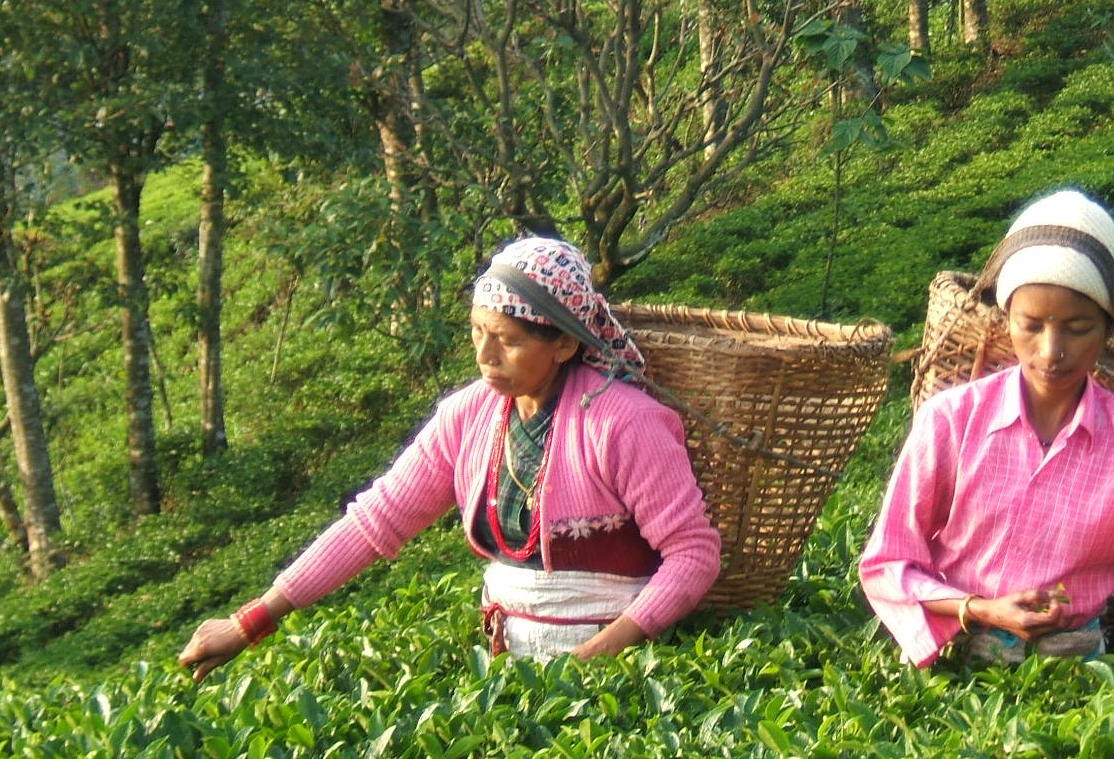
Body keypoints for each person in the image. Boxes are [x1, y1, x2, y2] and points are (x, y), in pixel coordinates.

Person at [179, 237, 721, 678]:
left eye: (507, 340)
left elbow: (693, 554)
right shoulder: (468, 416)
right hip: (508, 666)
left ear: (564, 344)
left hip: (620, 671)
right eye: (477, 332)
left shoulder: (624, 422)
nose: (485, 356)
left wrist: (600, 657)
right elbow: (376, 521)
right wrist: (251, 620)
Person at [859, 190, 1114, 667]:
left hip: (1077, 669)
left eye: (1077, 327)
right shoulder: (950, 420)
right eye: (1031, 325)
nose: (1051, 350)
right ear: (1006, 321)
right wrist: (982, 609)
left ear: (1108, 331)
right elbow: (886, 563)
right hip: (953, 658)